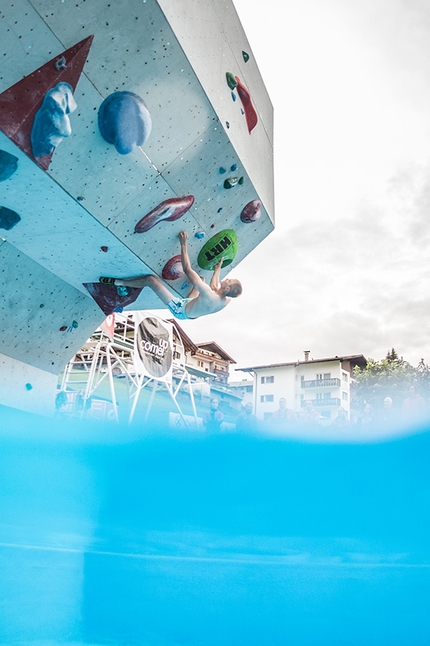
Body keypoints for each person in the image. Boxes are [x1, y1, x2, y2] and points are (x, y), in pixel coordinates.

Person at [100, 231, 242, 320]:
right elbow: (213, 286)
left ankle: (118, 282)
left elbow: (187, 269)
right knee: (202, 280)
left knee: (151, 280)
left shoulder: (210, 295)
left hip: (181, 309)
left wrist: (183, 244)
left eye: (229, 281)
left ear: (227, 289)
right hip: (194, 310)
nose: (227, 279)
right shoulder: (226, 300)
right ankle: (194, 298)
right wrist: (217, 268)